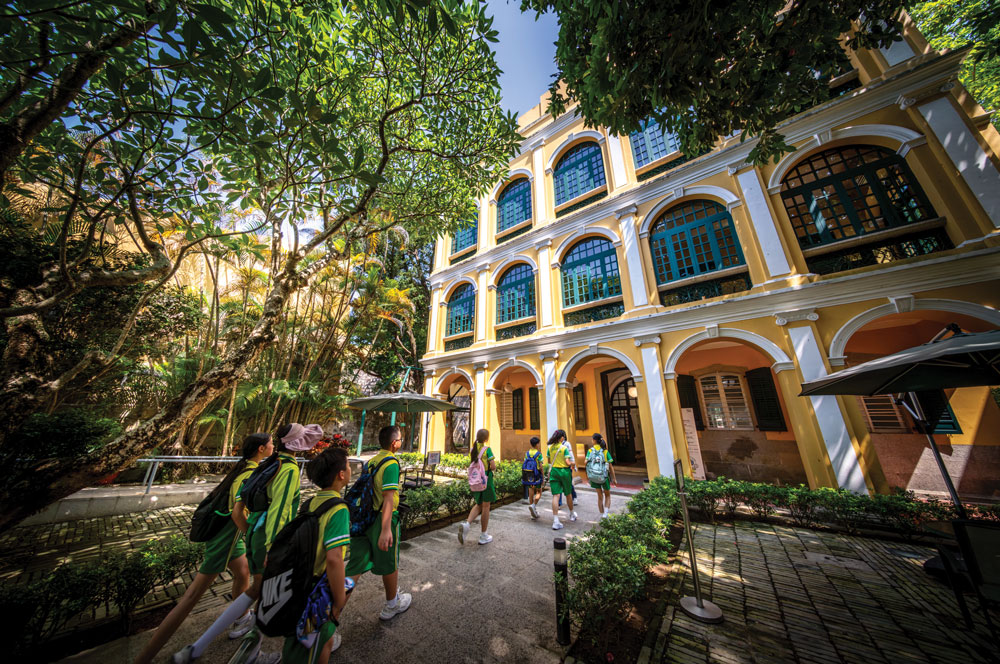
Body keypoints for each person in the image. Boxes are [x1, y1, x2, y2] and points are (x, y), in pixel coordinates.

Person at [172, 422, 324, 664]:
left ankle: (199, 648)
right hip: (269, 539)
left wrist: (252, 532)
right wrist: (273, 548)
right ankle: (260, 648)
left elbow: (241, 504)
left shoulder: (268, 464)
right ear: (298, 444)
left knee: (257, 591)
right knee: (273, 593)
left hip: (255, 532)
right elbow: (280, 512)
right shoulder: (290, 469)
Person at [135, 433, 271, 664]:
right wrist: (255, 538)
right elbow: (239, 514)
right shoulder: (248, 474)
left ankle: (241, 617)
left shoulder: (246, 468)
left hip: (230, 537)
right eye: (270, 444)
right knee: (191, 597)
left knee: (243, 572)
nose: (272, 447)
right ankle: (144, 657)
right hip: (225, 539)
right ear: (261, 449)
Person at [282, 446, 353, 664]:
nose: (351, 469)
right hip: (317, 593)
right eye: (348, 466)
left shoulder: (310, 503)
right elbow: (334, 558)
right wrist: (340, 597)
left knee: (322, 640)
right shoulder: (339, 509)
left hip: (299, 582)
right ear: (341, 475)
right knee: (309, 648)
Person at [345, 425, 412, 621]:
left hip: (363, 519)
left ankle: (330, 614)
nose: (400, 441)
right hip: (382, 519)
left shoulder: (372, 461)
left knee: (354, 567)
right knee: (389, 562)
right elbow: (388, 498)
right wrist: (385, 529)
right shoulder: (391, 463)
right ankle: (392, 604)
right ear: (394, 443)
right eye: (399, 439)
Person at [458, 429, 496, 544]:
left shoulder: (473, 449)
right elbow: (493, 466)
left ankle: (467, 524)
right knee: (485, 507)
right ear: (486, 439)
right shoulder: (487, 450)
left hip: (476, 480)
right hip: (485, 480)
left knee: (479, 504)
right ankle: (484, 535)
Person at [546, 429, 577, 530]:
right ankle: (572, 514)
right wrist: (573, 464)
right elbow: (568, 462)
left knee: (556, 495)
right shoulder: (564, 448)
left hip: (554, 471)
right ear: (561, 438)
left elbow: (549, 460)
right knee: (568, 494)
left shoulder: (550, 448)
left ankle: (555, 521)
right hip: (564, 472)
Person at [587, 433, 617, 518]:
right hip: (604, 476)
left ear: (594, 440)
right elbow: (611, 467)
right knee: (607, 495)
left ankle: (601, 514)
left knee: (599, 496)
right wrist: (614, 478)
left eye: (592, 439)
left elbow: (586, 462)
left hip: (594, 476)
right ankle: (606, 513)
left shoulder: (590, 451)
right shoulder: (605, 451)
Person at [523, 436, 544, 519]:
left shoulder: (527, 453)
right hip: (537, 474)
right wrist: (542, 476)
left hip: (529, 475)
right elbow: (541, 466)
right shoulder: (538, 454)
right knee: (539, 492)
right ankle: (533, 505)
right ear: (537, 444)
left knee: (531, 490)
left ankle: (532, 508)